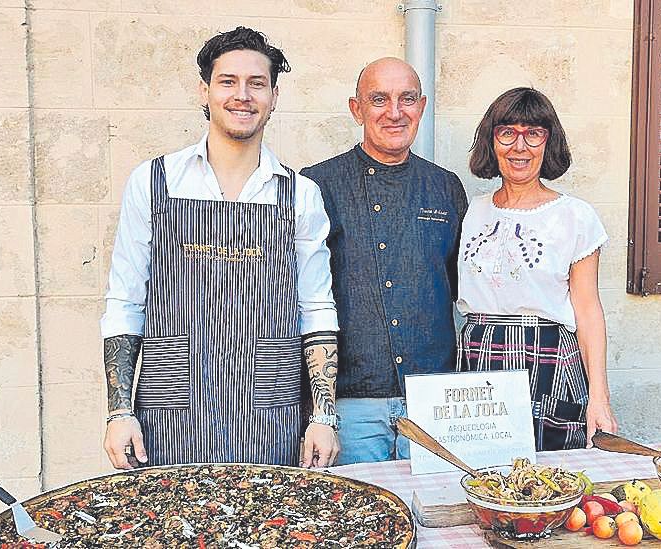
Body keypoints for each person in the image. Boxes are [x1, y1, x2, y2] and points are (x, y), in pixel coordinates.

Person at [100, 27, 341, 470]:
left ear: (274, 96)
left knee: (271, 525)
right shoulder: (154, 182)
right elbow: (125, 300)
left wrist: (324, 414)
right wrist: (119, 411)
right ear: (205, 89)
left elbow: (317, 307)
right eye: (228, 81)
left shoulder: (300, 194)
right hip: (169, 405)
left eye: (257, 84)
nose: (242, 96)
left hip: (270, 407)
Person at [300, 58, 469, 465]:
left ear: (422, 106)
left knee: (438, 519)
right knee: (357, 522)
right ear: (356, 109)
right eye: (379, 99)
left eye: (406, 99)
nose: (395, 112)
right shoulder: (316, 184)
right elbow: (299, 297)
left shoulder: (446, 187)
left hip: (433, 399)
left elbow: (458, 287)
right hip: (350, 405)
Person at [456, 87, 618, 450]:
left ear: (548, 143)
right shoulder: (472, 212)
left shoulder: (575, 216)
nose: (520, 146)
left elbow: (588, 311)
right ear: (492, 141)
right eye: (507, 133)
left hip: (550, 359)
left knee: (552, 481)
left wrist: (599, 397)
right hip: (481, 353)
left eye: (533, 134)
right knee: (482, 474)